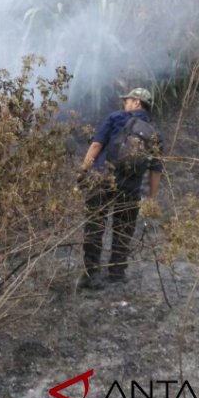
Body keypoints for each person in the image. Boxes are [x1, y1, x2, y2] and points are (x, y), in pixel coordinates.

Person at [76, 87, 163, 289]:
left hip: (101, 179)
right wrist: (151, 197)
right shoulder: (155, 132)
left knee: (95, 226)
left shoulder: (115, 118)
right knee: (123, 230)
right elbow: (156, 169)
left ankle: (90, 274)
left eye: (128, 100)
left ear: (137, 103)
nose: (126, 103)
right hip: (130, 187)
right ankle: (116, 273)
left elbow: (97, 146)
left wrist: (83, 171)